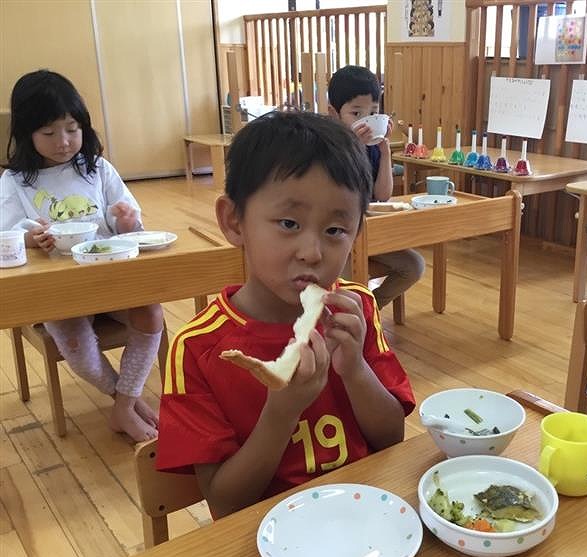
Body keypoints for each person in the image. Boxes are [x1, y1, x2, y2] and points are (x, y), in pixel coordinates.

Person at [156, 111, 416, 518]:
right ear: (234, 221)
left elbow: (391, 437)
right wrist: (283, 409)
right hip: (263, 542)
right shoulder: (200, 348)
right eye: (289, 223)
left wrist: (356, 372)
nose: (312, 252)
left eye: (335, 230)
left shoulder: (356, 309)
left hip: (364, 519)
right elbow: (225, 502)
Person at [0, 70, 163, 442]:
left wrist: (127, 220)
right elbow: (4, 237)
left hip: (109, 278)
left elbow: (130, 226)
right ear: (27, 134)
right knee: (74, 342)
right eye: (49, 133)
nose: (63, 142)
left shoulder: (97, 168)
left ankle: (124, 406)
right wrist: (28, 240)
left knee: (151, 311)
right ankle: (124, 400)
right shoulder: (15, 182)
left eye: (72, 129)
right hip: (59, 290)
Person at [327, 65, 425, 309]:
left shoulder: (373, 147)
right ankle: (349, 318)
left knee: (414, 266)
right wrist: (356, 150)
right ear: (334, 114)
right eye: (356, 114)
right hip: (337, 240)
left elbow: (383, 195)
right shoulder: (328, 149)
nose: (366, 120)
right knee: (348, 287)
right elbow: (343, 198)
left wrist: (384, 151)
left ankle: (371, 313)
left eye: (373, 111)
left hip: (369, 234)